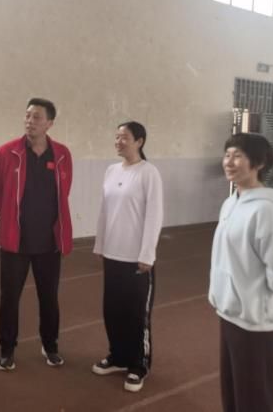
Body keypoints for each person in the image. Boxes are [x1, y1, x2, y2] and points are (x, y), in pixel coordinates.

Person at [209, 133, 273, 412]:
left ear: (259, 163)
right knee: (233, 391)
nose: (229, 162)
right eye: (227, 155)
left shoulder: (265, 209)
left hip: (255, 319)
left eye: (238, 156)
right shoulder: (231, 203)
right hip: (230, 311)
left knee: (254, 397)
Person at [0, 98, 73, 371]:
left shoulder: (61, 154)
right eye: (27, 116)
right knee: (9, 298)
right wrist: (10, 216)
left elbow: (64, 190)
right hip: (16, 242)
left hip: (49, 242)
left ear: (49, 123)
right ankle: (7, 349)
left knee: (49, 298)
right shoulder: (6, 152)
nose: (30, 121)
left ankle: (50, 346)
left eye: (36, 117)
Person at [92, 121, 163, 393]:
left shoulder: (148, 173)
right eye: (117, 137)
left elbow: (154, 215)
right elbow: (104, 210)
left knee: (136, 315)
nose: (119, 141)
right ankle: (118, 357)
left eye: (125, 137)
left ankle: (139, 364)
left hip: (137, 259)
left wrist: (147, 254)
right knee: (112, 310)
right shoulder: (111, 171)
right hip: (113, 254)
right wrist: (100, 244)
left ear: (139, 141)